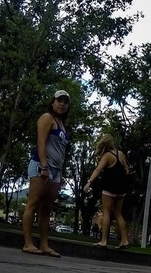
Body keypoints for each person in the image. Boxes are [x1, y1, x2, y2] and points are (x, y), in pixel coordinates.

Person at [22, 89, 71, 257]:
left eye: (65, 102)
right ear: (52, 102)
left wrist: (60, 173)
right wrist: (44, 167)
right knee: (33, 203)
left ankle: (44, 244)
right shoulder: (46, 118)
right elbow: (41, 142)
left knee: (47, 209)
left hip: (56, 171)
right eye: (59, 100)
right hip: (41, 167)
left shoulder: (61, 124)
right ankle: (28, 243)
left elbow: (61, 151)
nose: (62, 104)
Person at [83, 134, 131, 249]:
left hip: (109, 187)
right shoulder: (120, 154)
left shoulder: (107, 156)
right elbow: (126, 169)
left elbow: (98, 169)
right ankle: (125, 240)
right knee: (118, 213)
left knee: (106, 212)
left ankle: (104, 240)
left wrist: (89, 182)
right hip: (121, 188)